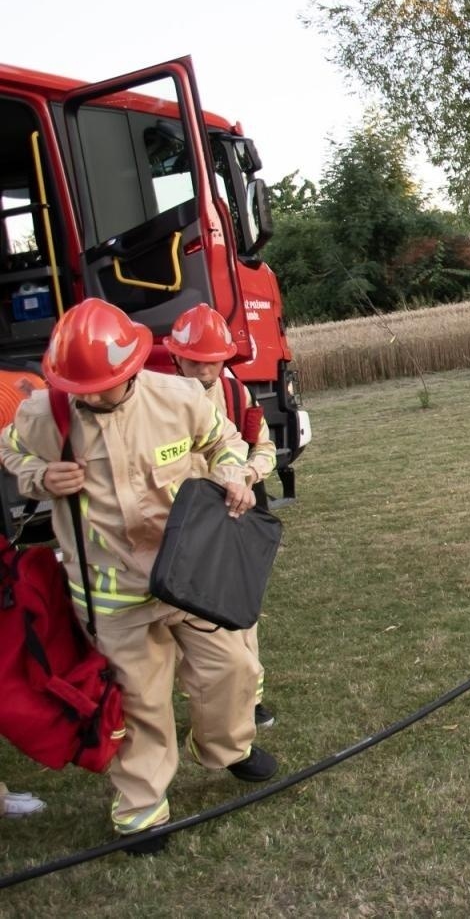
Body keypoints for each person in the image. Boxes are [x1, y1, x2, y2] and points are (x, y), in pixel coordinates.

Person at [0, 298, 277, 853]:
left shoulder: (179, 399)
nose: (90, 395)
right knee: (140, 702)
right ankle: (143, 810)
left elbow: (225, 441)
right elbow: (10, 453)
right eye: (78, 386)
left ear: (131, 368)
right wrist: (38, 477)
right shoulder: (42, 415)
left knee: (234, 668)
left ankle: (227, 747)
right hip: (111, 592)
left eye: (102, 384)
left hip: (190, 574)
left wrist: (233, 474)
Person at [165, 303, 278, 730]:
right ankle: (207, 703)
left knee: (237, 609)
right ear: (175, 356)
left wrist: (247, 474)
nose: (206, 371)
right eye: (196, 361)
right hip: (178, 524)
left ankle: (249, 700)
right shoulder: (157, 401)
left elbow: (262, 447)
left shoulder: (235, 395)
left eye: (214, 362)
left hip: (229, 517)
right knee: (185, 620)